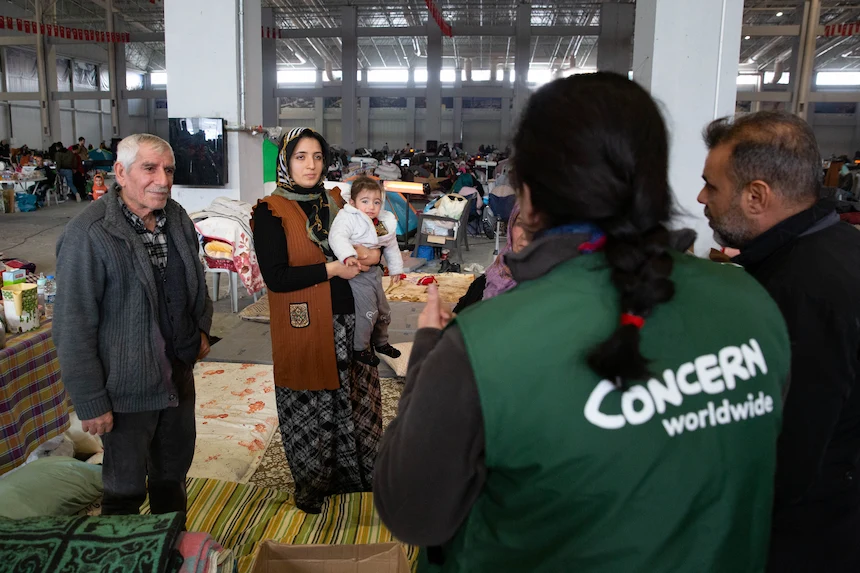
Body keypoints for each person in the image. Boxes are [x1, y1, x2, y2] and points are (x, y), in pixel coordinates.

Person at [374, 72, 792, 573]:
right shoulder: (751, 303)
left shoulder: (485, 346)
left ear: (527, 195)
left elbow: (414, 515)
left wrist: (426, 354)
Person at [698, 111, 860, 572]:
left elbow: (787, 453)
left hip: (801, 540)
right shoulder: (834, 245)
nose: (701, 197)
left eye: (712, 186)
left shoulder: (802, 292)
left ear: (756, 196)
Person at [53, 133, 213, 516]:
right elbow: (72, 325)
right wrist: (90, 400)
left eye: (169, 169)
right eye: (150, 168)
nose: (163, 179)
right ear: (120, 173)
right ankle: (124, 557)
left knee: (172, 477)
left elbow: (196, 281)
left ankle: (168, 548)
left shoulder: (175, 217)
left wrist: (202, 332)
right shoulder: (89, 234)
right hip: (125, 390)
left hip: (177, 377)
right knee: (124, 489)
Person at [251, 127, 383, 514]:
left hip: (351, 319)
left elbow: (369, 243)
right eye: (300, 157)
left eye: (317, 157)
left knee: (356, 402)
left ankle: (358, 481)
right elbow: (277, 278)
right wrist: (333, 270)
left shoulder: (337, 201)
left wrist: (371, 256)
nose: (311, 165)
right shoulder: (270, 211)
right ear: (286, 162)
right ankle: (314, 486)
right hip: (305, 325)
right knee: (313, 407)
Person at [329, 176, 403, 366]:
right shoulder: (348, 218)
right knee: (368, 312)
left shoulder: (382, 222)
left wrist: (396, 269)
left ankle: (381, 342)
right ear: (353, 203)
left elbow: (392, 245)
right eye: (365, 201)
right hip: (357, 274)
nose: (371, 206)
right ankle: (360, 348)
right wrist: (348, 255)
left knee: (383, 311)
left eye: (376, 202)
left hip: (375, 273)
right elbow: (337, 237)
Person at [453, 204, 530, 314]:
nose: (525, 236)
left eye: (538, 227)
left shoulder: (552, 296)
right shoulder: (487, 280)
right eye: (521, 223)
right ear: (511, 227)